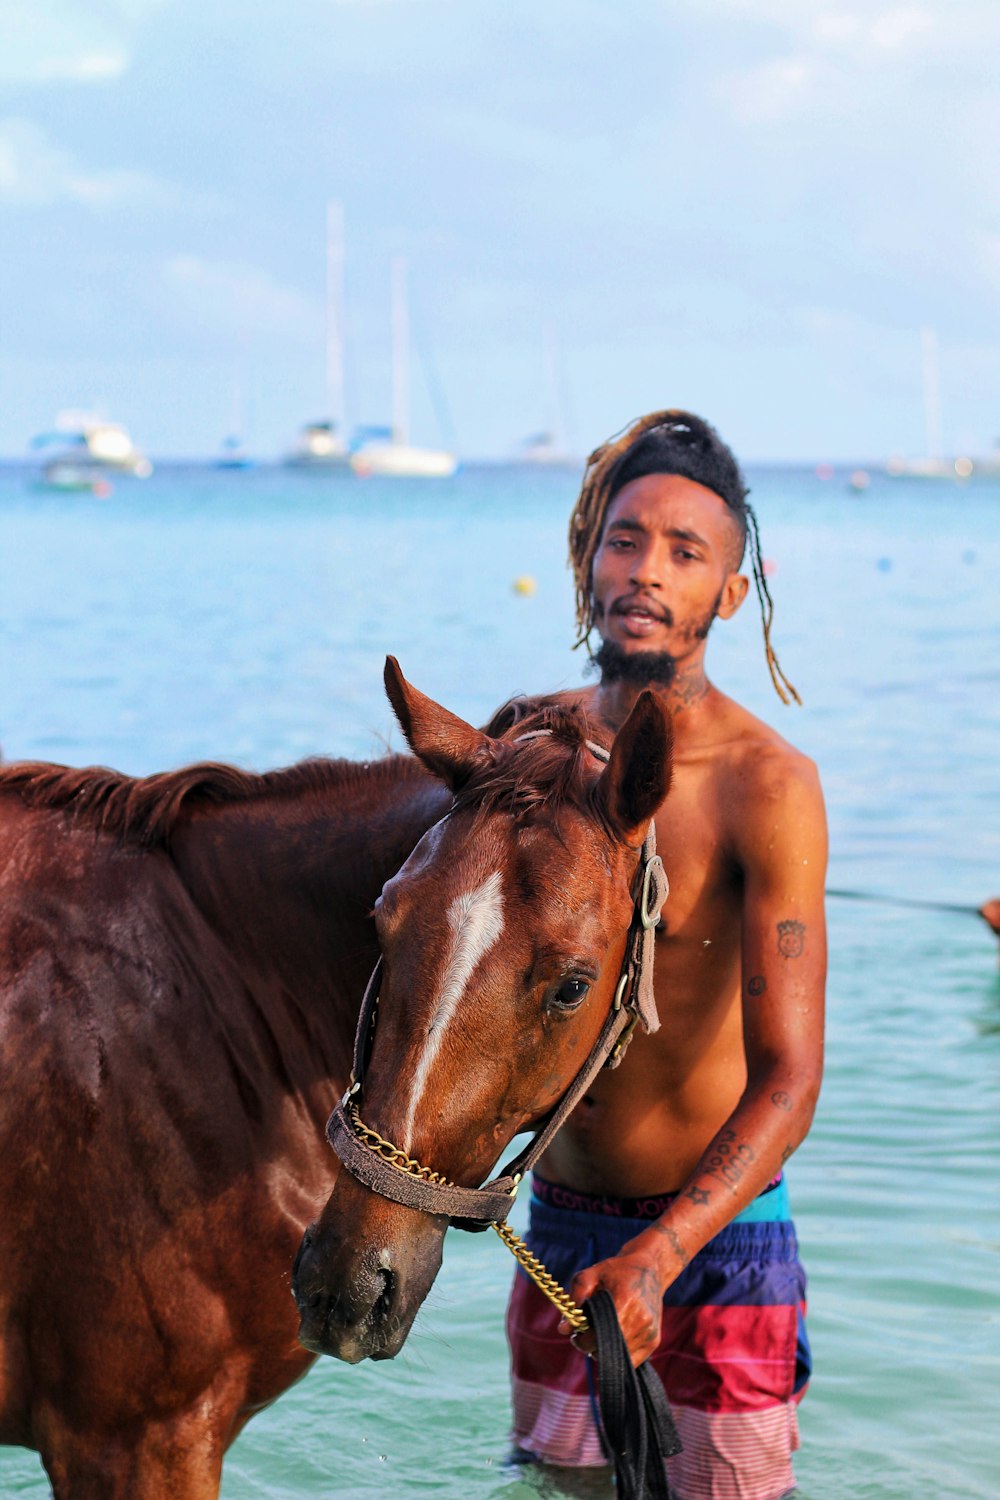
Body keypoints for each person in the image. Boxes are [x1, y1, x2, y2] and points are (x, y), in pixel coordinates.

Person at [505, 410, 828, 1500]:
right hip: (557, 1235)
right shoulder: (531, 751)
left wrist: (660, 1255)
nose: (646, 571)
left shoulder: (764, 786)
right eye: (626, 539)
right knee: (563, 1495)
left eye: (686, 553)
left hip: (718, 1249)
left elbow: (789, 1080)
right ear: (588, 557)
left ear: (731, 594)